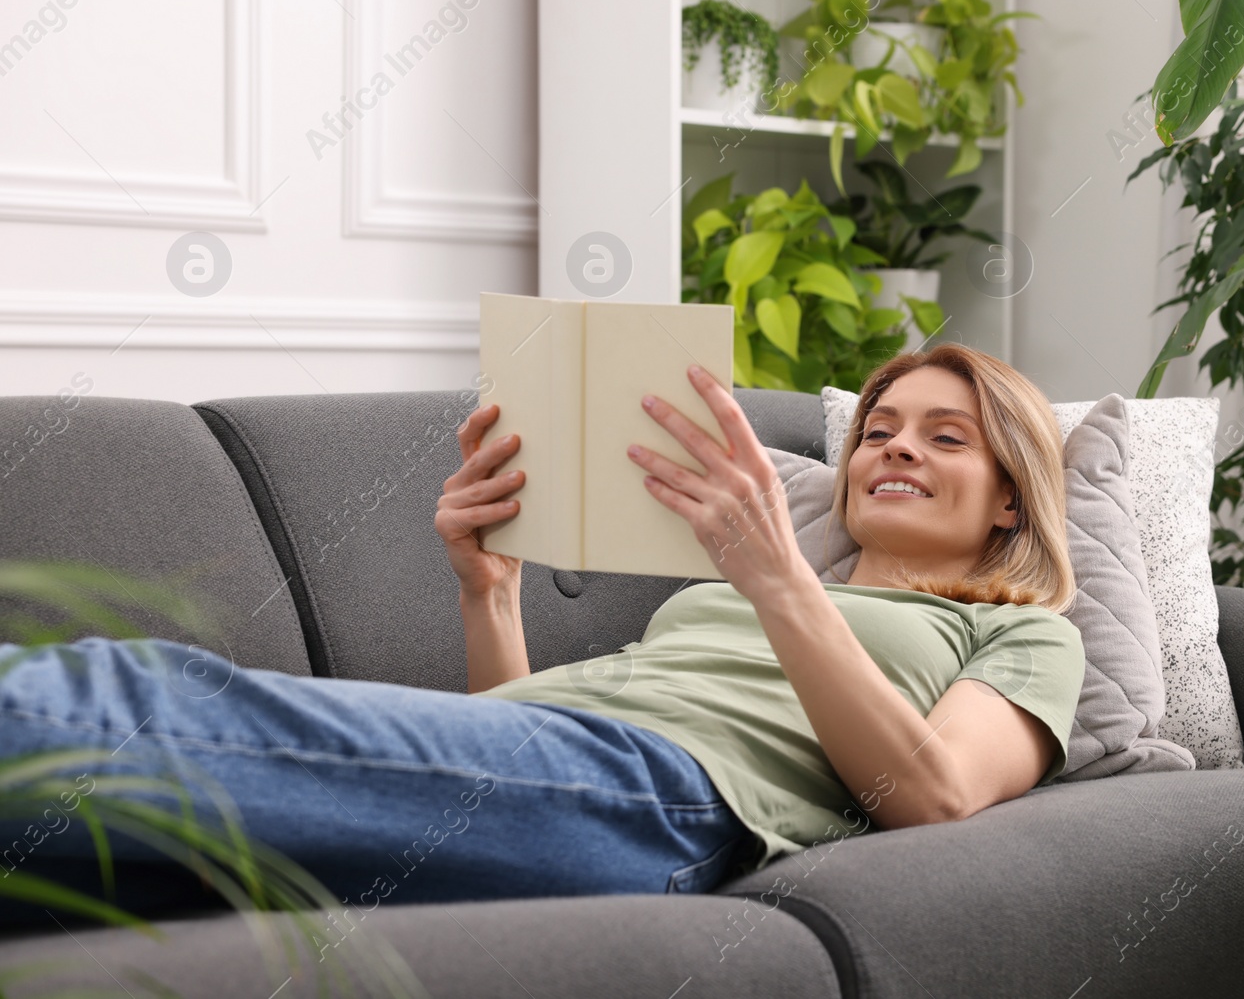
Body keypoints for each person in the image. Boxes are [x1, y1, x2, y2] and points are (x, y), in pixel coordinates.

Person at [0, 344, 1084, 925]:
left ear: (1007, 499)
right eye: (879, 430)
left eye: (945, 436)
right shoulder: (738, 594)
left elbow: (933, 795)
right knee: (68, 862)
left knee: (139, 699)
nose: (893, 448)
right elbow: (510, 750)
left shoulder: (1023, 637)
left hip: (666, 794)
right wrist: (488, 594)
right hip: (571, 777)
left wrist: (778, 579)